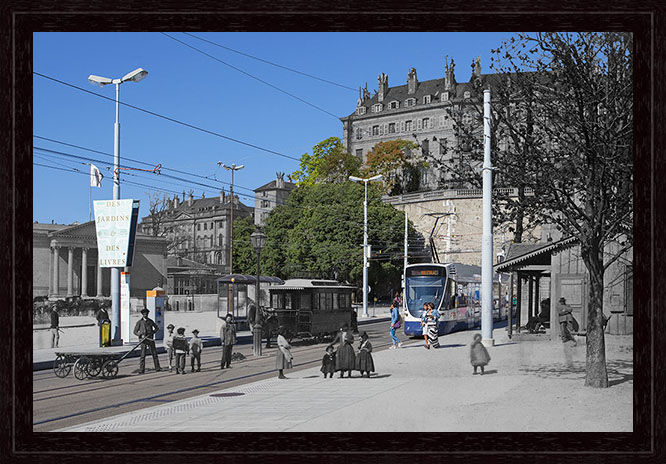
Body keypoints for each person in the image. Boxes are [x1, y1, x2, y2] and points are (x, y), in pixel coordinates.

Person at [133, 308, 162, 373]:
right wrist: (140, 335)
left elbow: (156, 328)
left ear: (148, 314)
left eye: (146, 314)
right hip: (143, 340)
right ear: (142, 314)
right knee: (143, 355)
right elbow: (135, 331)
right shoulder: (139, 322)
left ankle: (157, 368)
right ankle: (142, 369)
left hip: (150, 339)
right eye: (144, 314)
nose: (145, 315)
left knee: (154, 354)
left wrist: (152, 333)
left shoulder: (150, 321)